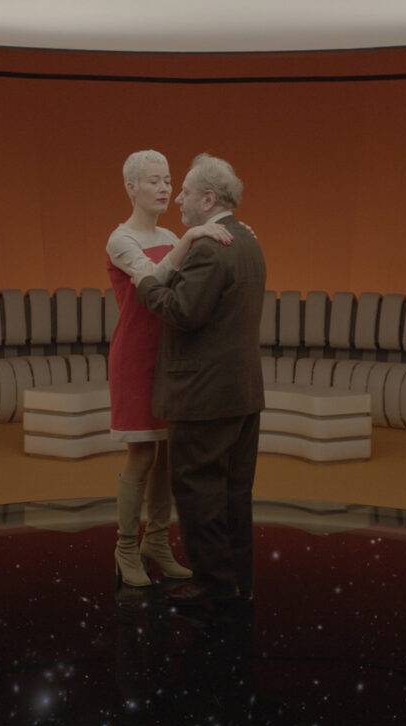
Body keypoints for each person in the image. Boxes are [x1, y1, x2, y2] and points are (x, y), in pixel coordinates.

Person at [136, 153, 266, 607]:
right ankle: (237, 583)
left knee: (200, 497)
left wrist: (147, 284)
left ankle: (213, 588)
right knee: (234, 497)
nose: (178, 200)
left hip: (203, 398)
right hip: (241, 394)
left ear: (208, 199)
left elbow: (182, 311)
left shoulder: (210, 248)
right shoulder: (248, 241)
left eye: (186, 193)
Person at [106, 150, 234, 588]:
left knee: (166, 454)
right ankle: (126, 548)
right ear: (131, 188)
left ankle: (157, 542)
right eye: (154, 181)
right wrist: (193, 236)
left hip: (171, 356)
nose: (164, 189)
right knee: (141, 453)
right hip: (135, 358)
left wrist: (229, 235)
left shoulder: (171, 234)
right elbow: (154, 280)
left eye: (167, 181)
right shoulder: (120, 239)